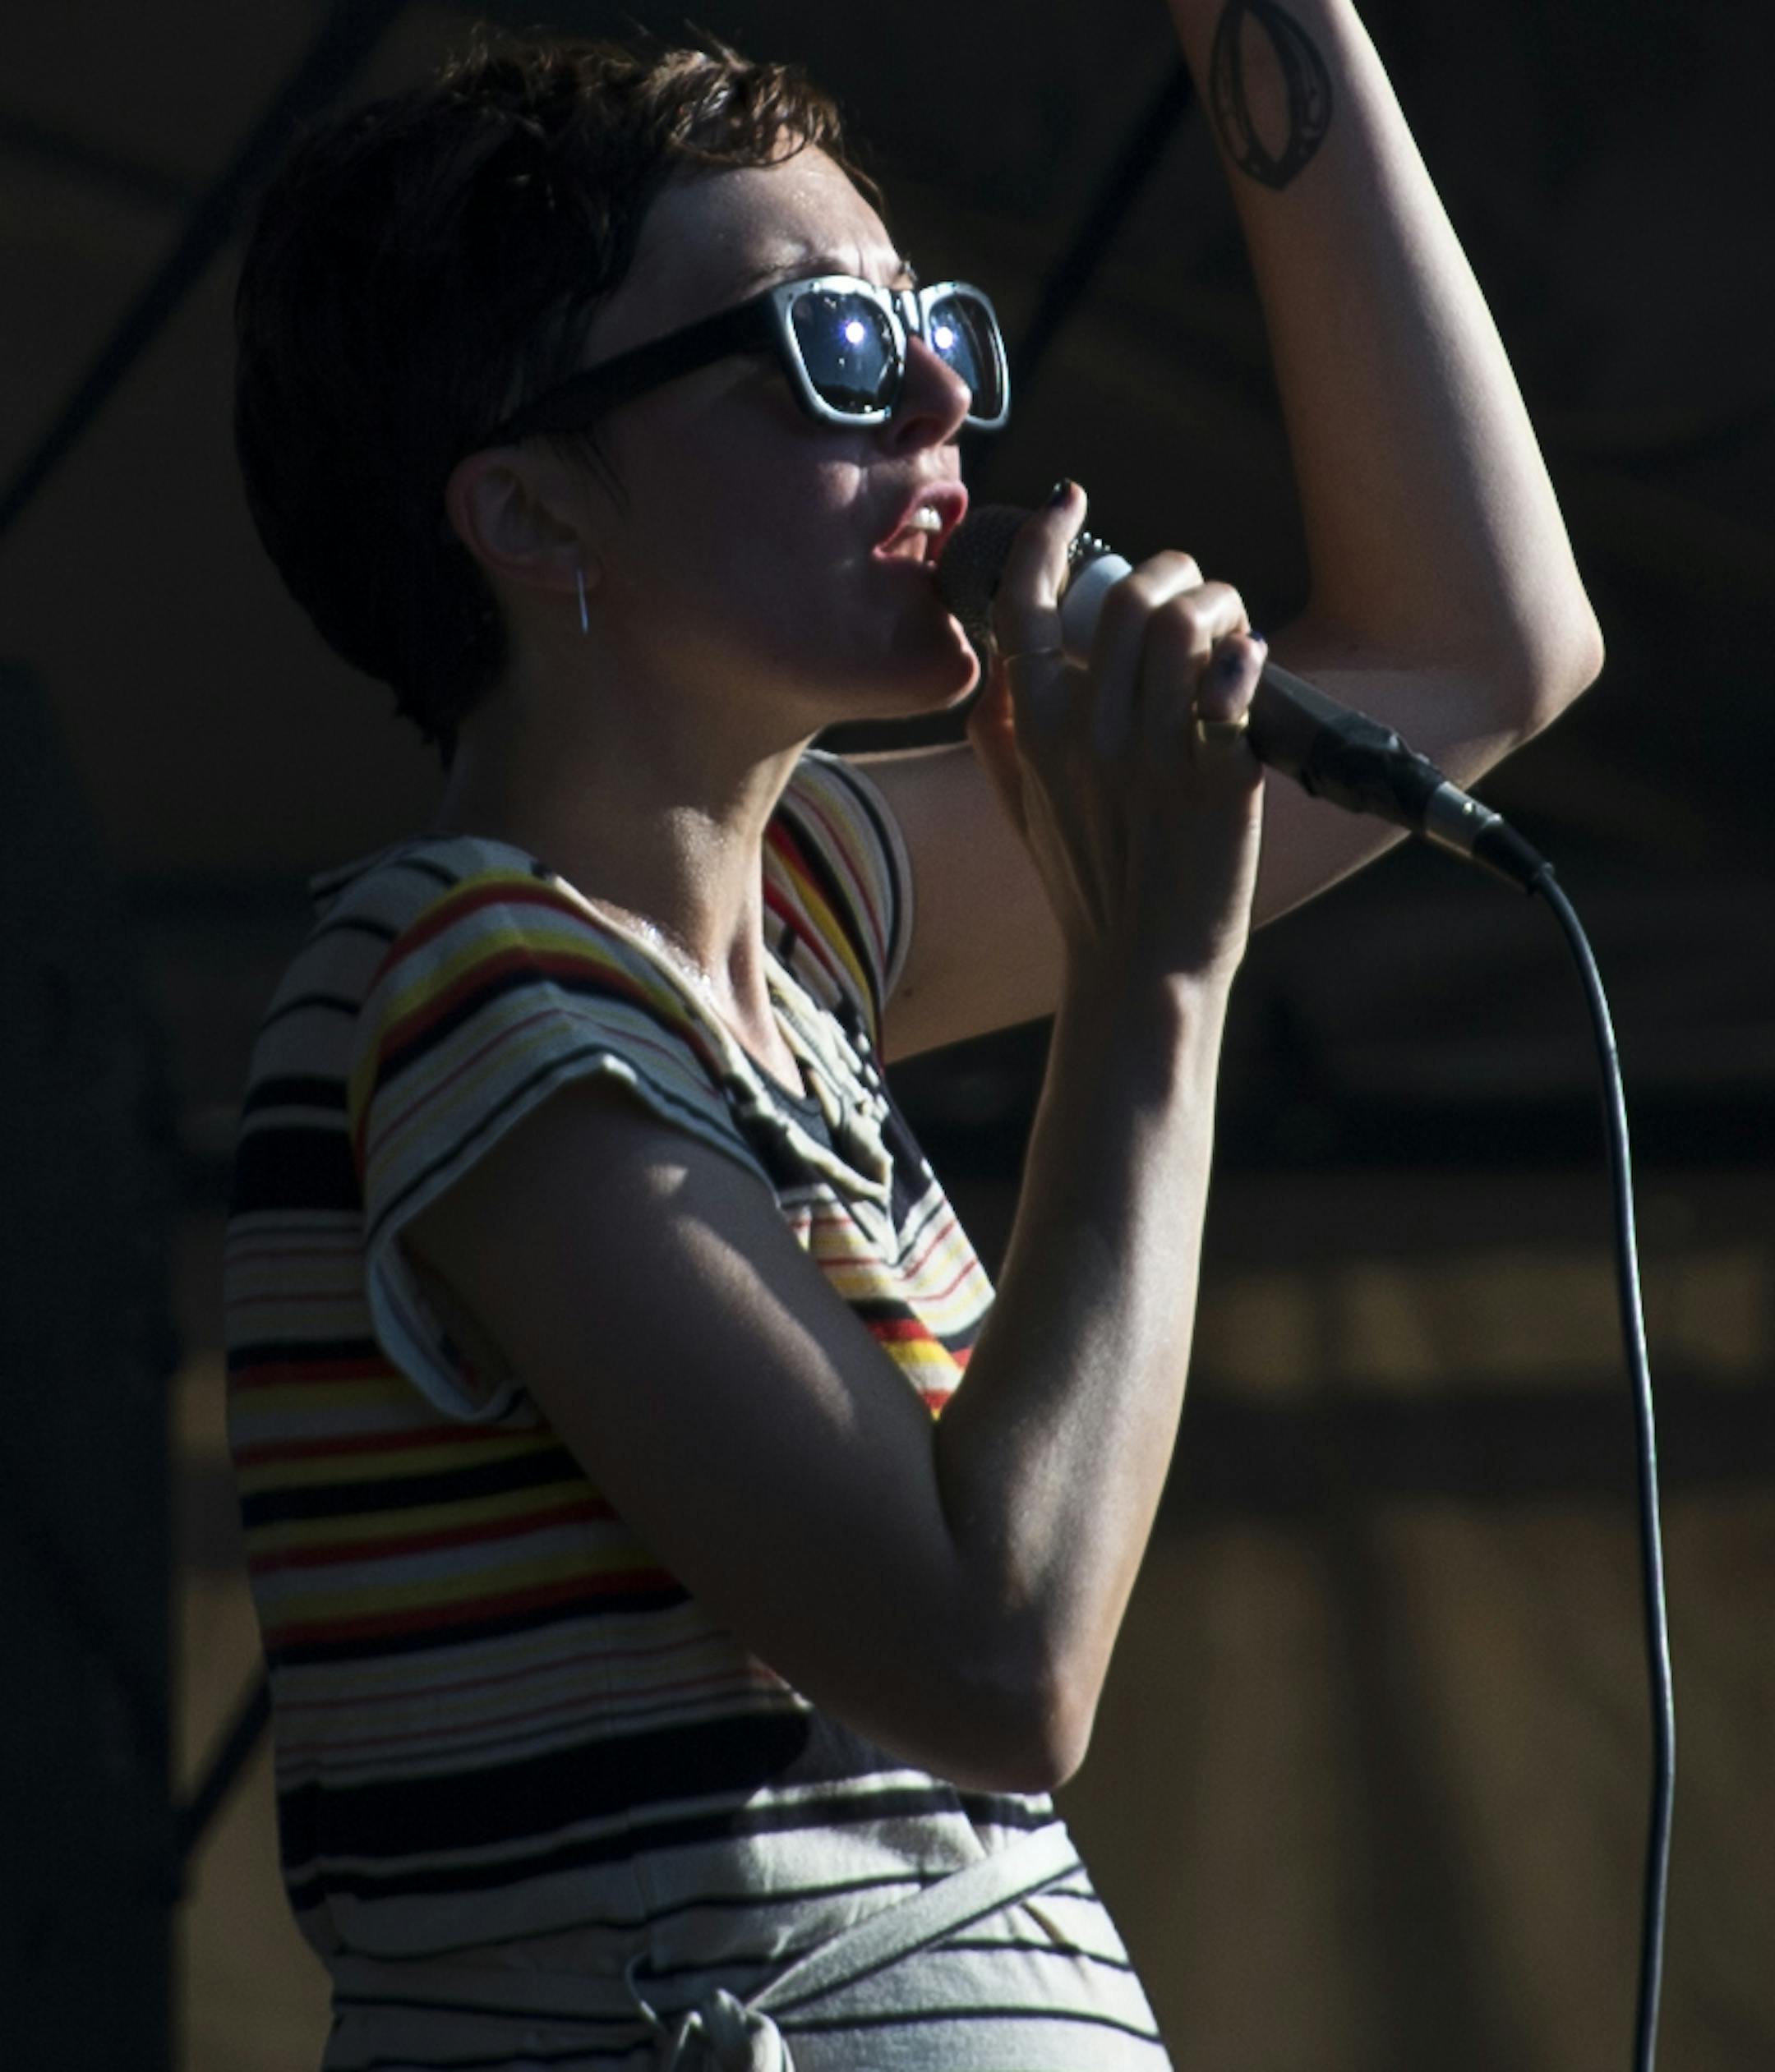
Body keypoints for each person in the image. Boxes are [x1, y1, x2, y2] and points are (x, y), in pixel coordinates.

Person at [225, 10, 1600, 2068]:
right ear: (532, 515)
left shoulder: (798, 921)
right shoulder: (471, 982)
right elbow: (997, 1658)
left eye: (930, 319)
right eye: (834, 355)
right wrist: (1155, 980)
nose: (949, 392)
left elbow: (1482, 644)